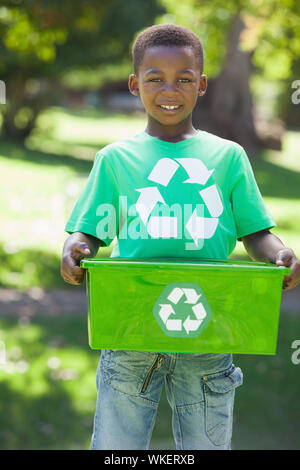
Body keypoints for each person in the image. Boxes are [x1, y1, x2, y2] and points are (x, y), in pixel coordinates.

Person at [60, 24, 300, 450]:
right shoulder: (116, 160)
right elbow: (90, 232)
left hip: (209, 328)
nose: (169, 89)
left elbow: (255, 232)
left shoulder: (228, 157)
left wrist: (279, 253)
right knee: (118, 447)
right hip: (131, 329)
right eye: (155, 78)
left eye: (184, 79)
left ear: (202, 85)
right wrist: (76, 247)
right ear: (135, 84)